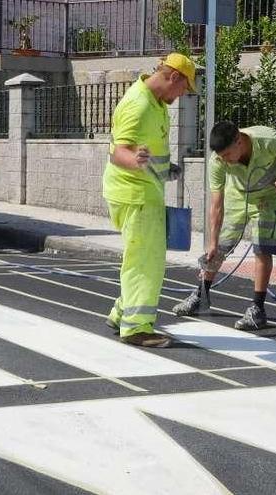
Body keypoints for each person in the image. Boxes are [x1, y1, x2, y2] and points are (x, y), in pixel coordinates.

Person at [103, 53, 195, 348]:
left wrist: (164, 169)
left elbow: (146, 148)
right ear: (174, 77)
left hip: (143, 192)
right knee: (146, 262)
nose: (183, 95)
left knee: (141, 257)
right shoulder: (139, 105)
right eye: (185, 88)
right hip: (135, 195)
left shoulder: (156, 102)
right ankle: (137, 328)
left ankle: (122, 314)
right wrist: (135, 161)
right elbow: (118, 152)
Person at [172, 121, 276, 330]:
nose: (225, 161)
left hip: (268, 198)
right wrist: (212, 243)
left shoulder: (269, 140)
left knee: (262, 248)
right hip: (238, 197)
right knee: (219, 249)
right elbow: (216, 205)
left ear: (239, 142)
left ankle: (257, 309)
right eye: (221, 157)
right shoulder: (218, 161)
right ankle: (200, 295)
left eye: (227, 155)